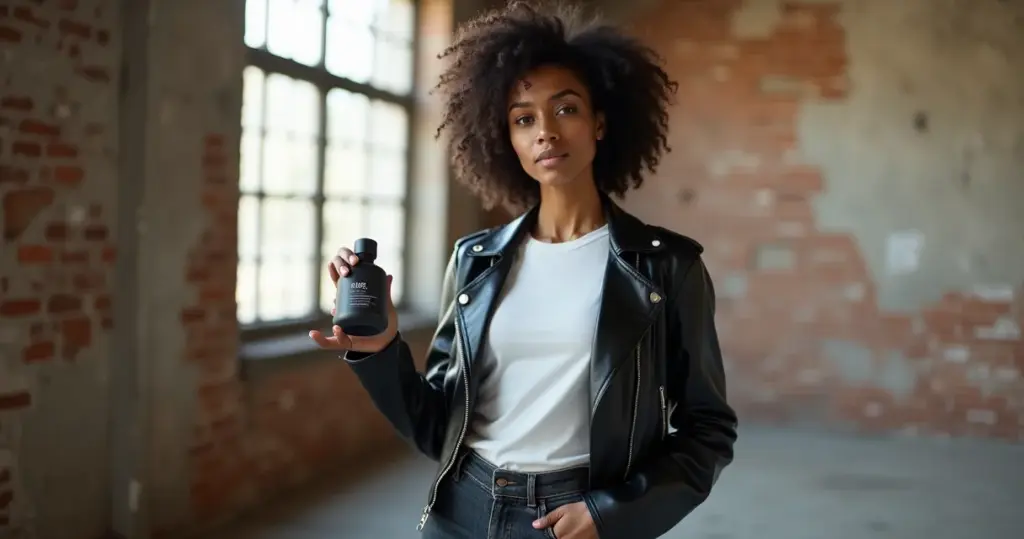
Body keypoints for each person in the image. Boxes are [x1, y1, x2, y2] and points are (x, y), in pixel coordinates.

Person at [309, 2, 738, 538]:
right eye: (523, 118)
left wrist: (613, 513)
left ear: (600, 122)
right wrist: (379, 352)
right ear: (506, 139)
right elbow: (436, 427)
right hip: (462, 507)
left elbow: (708, 429)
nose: (545, 133)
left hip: (572, 517)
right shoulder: (476, 260)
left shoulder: (666, 267)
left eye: (565, 109)